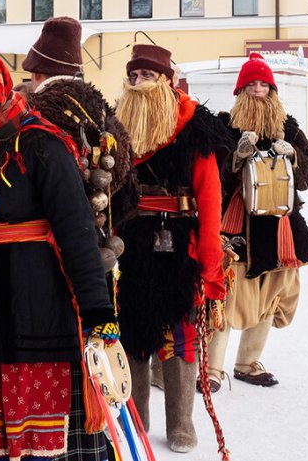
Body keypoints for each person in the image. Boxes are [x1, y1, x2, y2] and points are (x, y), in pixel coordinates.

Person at [0, 48, 119, 461]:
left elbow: (76, 233)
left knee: (39, 435)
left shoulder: (40, 145)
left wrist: (97, 312)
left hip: (37, 302)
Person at [112, 43, 229, 454]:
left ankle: (181, 422)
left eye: (146, 76)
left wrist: (211, 258)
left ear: (165, 79)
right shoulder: (117, 125)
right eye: (133, 76)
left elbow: (210, 194)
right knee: (132, 330)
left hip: (179, 239)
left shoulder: (195, 125)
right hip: (130, 242)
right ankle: (137, 420)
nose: (138, 83)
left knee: (179, 331)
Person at [205, 53, 308, 389]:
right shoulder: (223, 128)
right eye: (251, 84)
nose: (257, 89)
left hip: (279, 228)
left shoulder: (290, 129)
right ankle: (212, 370)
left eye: (263, 84)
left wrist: (294, 157)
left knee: (271, 297)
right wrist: (237, 159)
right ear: (240, 91)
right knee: (226, 297)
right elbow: (213, 179)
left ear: (272, 89)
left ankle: (247, 363)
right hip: (237, 226)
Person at [22, 17, 135, 279]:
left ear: (37, 73)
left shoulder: (35, 113)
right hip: (97, 242)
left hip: (43, 245)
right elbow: (129, 191)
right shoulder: (105, 112)